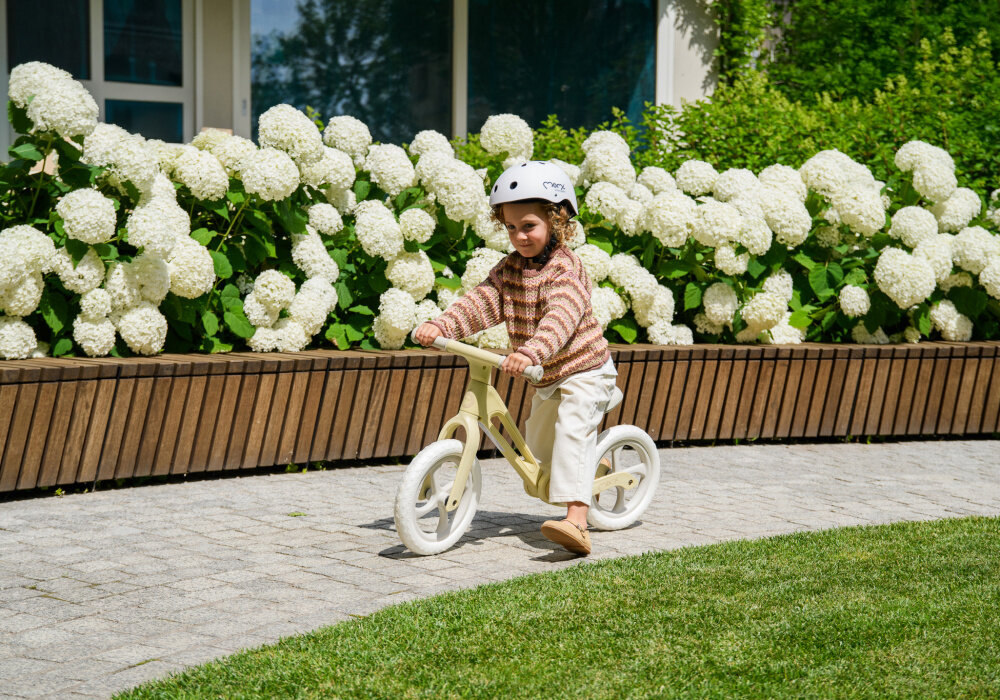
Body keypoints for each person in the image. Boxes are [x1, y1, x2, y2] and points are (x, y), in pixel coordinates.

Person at [413, 160, 617, 556]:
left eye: (529, 226)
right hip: (545, 375)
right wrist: (442, 326)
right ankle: (595, 468)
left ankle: (577, 522)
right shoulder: (509, 270)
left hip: (584, 371)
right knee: (540, 452)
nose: (519, 236)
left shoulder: (566, 269)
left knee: (573, 430)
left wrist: (529, 351)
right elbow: (481, 302)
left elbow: (561, 317)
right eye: (510, 227)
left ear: (557, 222)